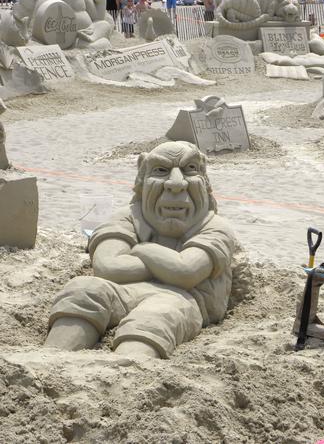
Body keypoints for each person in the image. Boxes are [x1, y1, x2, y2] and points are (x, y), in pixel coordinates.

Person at [44, 141, 235, 362]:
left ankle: (125, 370)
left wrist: (142, 250)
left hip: (187, 299)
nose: (176, 183)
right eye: (161, 171)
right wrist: (166, 265)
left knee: (157, 314)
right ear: (141, 182)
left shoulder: (214, 226)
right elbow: (107, 266)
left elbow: (185, 272)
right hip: (124, 291)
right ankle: (50, 360)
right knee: (84, 288)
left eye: (190, 169)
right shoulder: (127, 217)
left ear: (205, 182)